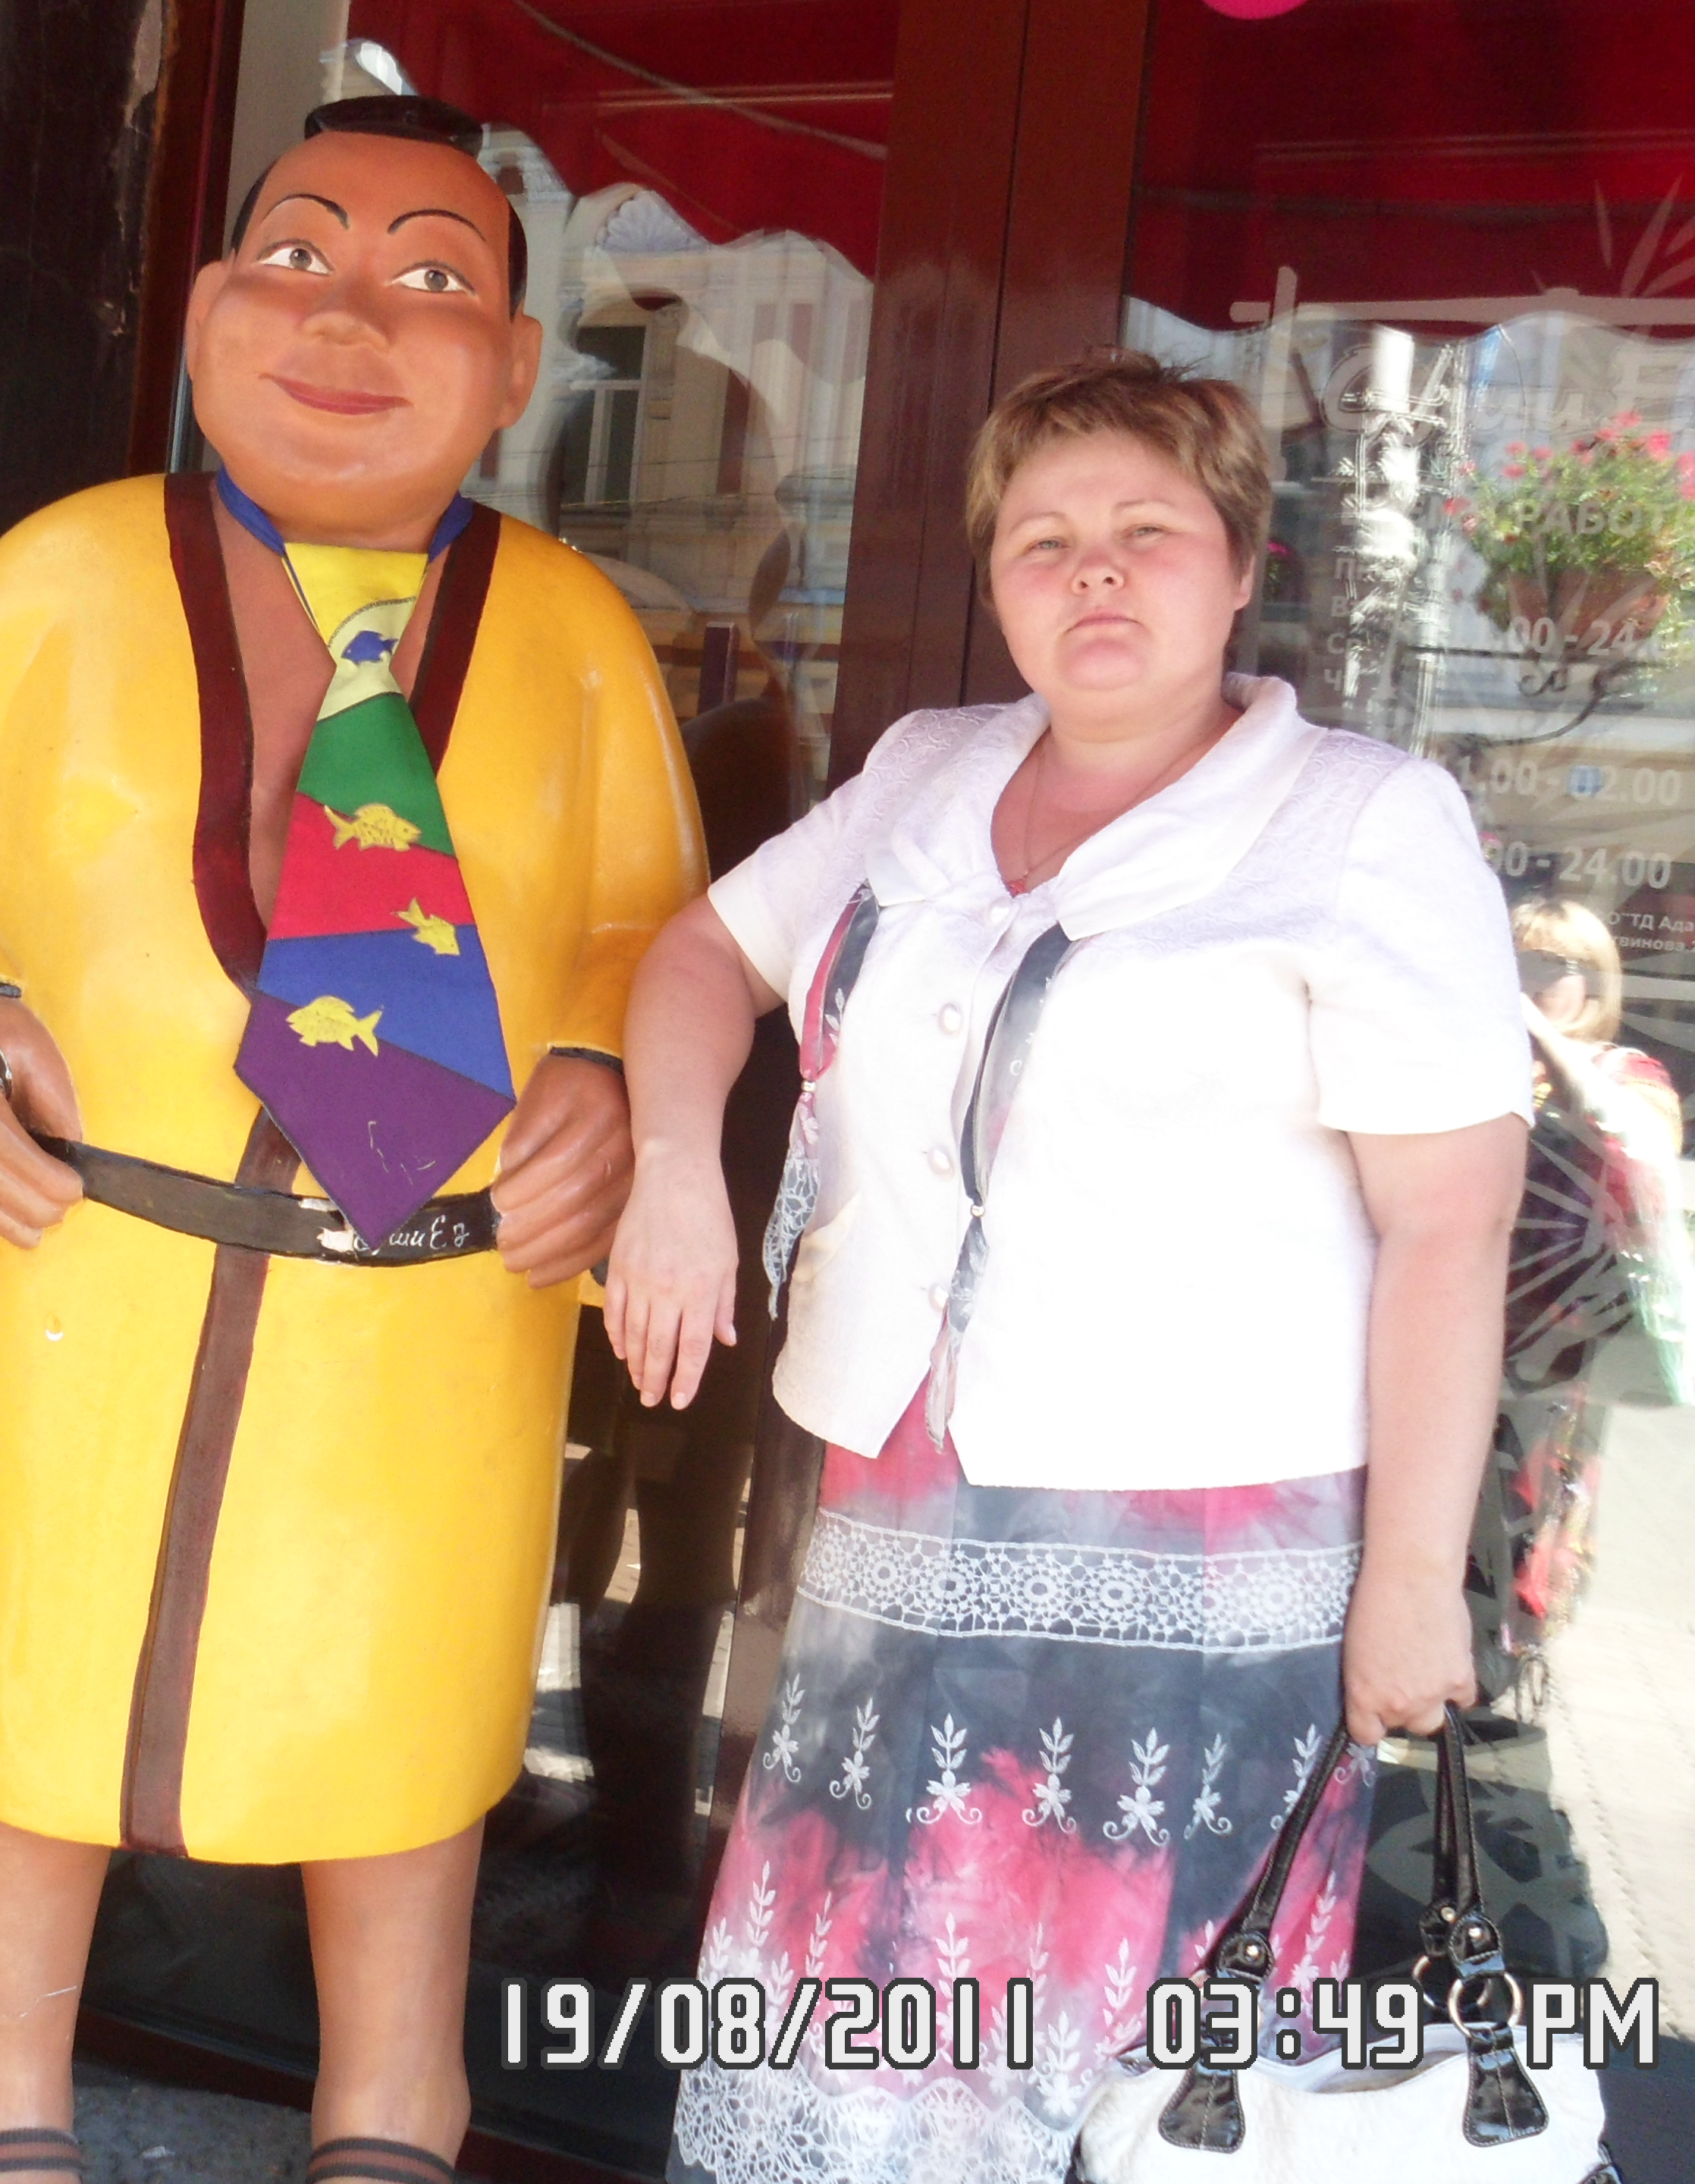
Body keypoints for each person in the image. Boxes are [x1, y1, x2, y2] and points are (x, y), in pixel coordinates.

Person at [0, 94, 702, 2184]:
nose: (350, 318)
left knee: (395, 1750)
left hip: (424, 1318)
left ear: (512, 366)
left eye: (432, 279)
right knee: (24, 1720)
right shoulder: (57, 580)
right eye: (298, 254)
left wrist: (604, 1076)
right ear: (210, 305)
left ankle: (392, 2113)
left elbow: (653, 924)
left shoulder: (574, 634)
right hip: (86, 1276)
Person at [606, 351, 1531, 2184]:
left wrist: (1417, 1579)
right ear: (996, 580)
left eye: (1146, 532)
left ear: (1240, 565)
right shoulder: (928, 773)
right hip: (905, 1508)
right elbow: (702, 956)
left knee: (1139, 2060)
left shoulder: (1361, 820)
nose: (1093, 572)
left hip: (1209, 1553)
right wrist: (673, 1173)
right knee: (873, 2000)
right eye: (1043, 540)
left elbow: (1451, 1224)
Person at [1487, 896, 1695, 1687]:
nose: (1525, 981)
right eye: (1511, 961)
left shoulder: (1627, 1074)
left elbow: (1637, 1141)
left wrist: (1541, 1037)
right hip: (1467, 1319)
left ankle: (1506, 1668)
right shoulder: (1476, 1062)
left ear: (1593, 980)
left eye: (1548, 967)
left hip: (1562, 1338)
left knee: (1532, 1499)